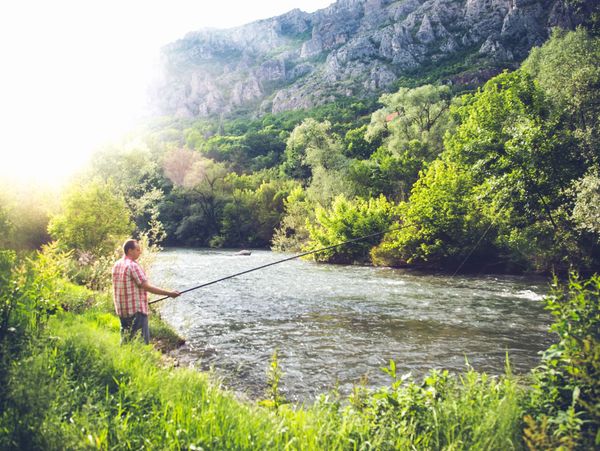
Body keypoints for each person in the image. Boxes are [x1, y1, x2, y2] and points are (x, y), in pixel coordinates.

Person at [112, 239, 180, 344]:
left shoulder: (117, 264)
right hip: (136, 311)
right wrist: (169, 293)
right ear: (130, 251)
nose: (140, 252)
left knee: (126, 339)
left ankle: (124, 358)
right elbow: (147, 287)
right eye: (138, 250)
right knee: (141, 343)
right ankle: (137, 359)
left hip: (122, 310)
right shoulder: (133, 266)